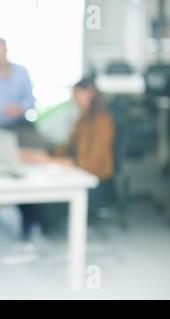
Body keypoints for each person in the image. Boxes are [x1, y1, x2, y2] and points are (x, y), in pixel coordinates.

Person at [18, 77, 115, 252]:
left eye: (78, 95)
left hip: (93, 185)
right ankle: (36, 239)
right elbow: (66, 150)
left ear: (91, 94)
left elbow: (90, 164)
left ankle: (53, 241)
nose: (75, 100)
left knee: (37, 201)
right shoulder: (83, 120)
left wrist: (50, 161)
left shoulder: (102, 122)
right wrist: (41, 154)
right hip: (76, 174)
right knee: (28, 197)